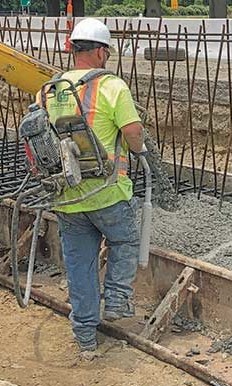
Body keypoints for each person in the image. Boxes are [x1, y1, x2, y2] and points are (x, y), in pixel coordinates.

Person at [40, 18, 144, 353]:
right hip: (108, 193)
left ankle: (86, 339)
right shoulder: (112, 87)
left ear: (72, 49)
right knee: (125, 240)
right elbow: (132, 134)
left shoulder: (49, 90)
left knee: (80, 267)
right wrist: (141, 152)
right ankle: (116, 301)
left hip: (67, 197)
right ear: (100, 52)